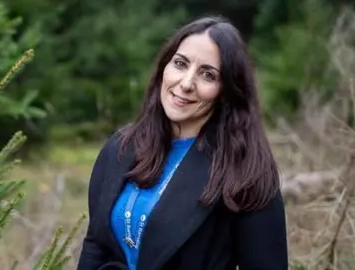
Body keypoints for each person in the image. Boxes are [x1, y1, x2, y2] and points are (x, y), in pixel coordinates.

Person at [77, 15, 288, 270]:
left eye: (207, 75)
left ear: (227, 91)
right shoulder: (120, 147)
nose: (186, 83)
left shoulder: (247, 172)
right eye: (180, 64)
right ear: (164, 68)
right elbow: (96, 244)